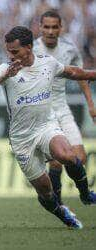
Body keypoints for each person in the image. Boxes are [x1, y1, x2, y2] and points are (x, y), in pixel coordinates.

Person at [0, 26, 96, 229]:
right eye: (8, 52)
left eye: (15, 52)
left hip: (46, 127)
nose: (11, 56)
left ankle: (85, 193)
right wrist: (5, 76)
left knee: (67, 155)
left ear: (29, 47)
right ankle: (61, 212)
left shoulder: (47, 63)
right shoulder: (5, 69)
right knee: (46, 192)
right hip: (21, 139)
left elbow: (75, 72)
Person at [33, 10, 96, 205]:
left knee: (80, 157)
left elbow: (81, 77)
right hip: (43, 111)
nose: (50, 31)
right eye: (46, 27)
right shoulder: (32, 49)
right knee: (56, 160)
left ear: (61, 28)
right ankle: (58, 203)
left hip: (62, 107)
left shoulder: (69, 48)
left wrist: (91, 105)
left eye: (54, 27)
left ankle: (81, 195)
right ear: (40, 27)